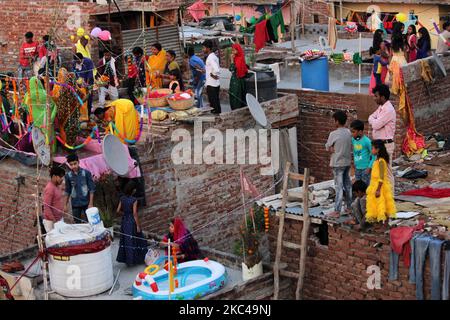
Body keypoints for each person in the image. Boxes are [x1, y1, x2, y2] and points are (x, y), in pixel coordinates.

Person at [325, 111, 353, 218]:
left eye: (334, 120)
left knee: (339, 187)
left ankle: (337, 211)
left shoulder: (333, 134)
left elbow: (327, 147)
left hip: (337, 164)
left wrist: (331, 147)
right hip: (347, 162)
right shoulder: (349, 133)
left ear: (336, 121)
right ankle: (349, 207)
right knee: (348, 185)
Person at [369, 84, 396, 190]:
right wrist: (374, 120)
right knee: (380, 173)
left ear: (383, 97)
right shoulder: (381, 108)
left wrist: (374, 121)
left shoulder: (388, 110)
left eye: (376, 96)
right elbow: (370, 117)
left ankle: (390, 199)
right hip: (379, 145)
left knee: (387, 173)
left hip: (386, 145)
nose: (374, 98)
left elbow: (375, 124)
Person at [116, 181, 147, 266]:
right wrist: (138, 225)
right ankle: (135, 260)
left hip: (125, 221)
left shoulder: (122, 198)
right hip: (131, 221)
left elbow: (118, 210)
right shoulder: (134, 200)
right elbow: (134, 213)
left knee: (126, 240)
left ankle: (128, 260)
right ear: (133, 190)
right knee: (135, 239)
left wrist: (125, 214)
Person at [22, 76, 57, 152]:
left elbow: (24, 106)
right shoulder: (45, 94)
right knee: (48, 135)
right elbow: (53, 105)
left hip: (35, 120)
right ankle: (51, 151)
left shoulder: (27, 95)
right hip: (46, 119)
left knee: (37, 136)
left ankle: (39, 152)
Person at [366, 140, 396, 223]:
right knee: (377, 206)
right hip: (374, 185)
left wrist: (378, 189)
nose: (371, 150)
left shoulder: (381, 161)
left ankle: (384, 224)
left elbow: (381, 176)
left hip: (380, 187)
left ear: (378, 149)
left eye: (372, 148)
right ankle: (380, 223)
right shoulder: (377, 160)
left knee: (383, 206)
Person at [53, 69, 85, 147]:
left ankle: (66, 145)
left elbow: (58, 100)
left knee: (65, 129)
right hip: (73, 115)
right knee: (72, 129)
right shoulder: (77, 90)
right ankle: (71, 144)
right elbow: (82, 97)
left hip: (64, 116)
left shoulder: (63, 89)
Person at [63, 154, 96, 223]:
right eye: (71, 165)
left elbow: (91, 189)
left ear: (79, 162)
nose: (73, 166)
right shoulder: (68, 176)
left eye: (75, 164)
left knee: (90, 222)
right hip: (75, 204)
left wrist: (91, 203)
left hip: (86, 203)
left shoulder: (86, 173)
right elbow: (67, 191)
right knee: (77, 224)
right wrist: (65, 205)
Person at [42, 166, 66, 233]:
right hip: (51, 222)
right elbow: (46, 207)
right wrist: (55, 222)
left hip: (59, 219)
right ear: (54, 176)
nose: (62, 179)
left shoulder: (57, 186)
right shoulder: (50, 188)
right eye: (60, 177)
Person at [350, 120, 373, 186]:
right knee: (358, 186)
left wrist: (369, 167)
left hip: (365, 169)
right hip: (357, 168)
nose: (352, 134)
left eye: (353, 132)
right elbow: (354, 151)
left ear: (360, 132)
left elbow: (374, 156)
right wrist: (354, 162)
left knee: (365, 186)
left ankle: (366, 196)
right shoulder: (353, 139)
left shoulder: (367, 141)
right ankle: (360, 196)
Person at [203, 40, 221, 114]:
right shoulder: (213, 56)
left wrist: (213, 75)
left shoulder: (210, 57)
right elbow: (211, 69)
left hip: (212, 84)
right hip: (215, 84)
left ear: (208, 48)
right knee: (216, 102)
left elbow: (216, 69)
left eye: (203, 48)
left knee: (214, 105)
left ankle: (217, 119)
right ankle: (218, 117)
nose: (203, 49)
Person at [229, 43, 248, 110]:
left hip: (237, 81)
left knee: (236, 96)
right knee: (234, 95)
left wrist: (231, 60)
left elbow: (232, 69)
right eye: (232, 50)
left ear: (238, 50)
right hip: (236, 80)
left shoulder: (239, 59)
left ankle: (237, 111)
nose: (232, 52)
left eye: (234, 50)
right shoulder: (237, 58)